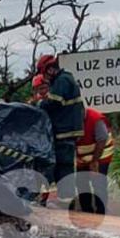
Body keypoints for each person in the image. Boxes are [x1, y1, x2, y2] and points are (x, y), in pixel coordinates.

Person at [36, 54, 85, 206]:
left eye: (44, 74)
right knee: (61, 167)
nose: (44, 78)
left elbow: (53, 102)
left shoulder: (62, 80)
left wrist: (38, 105)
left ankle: (67, 202)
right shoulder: (64, 79)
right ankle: (65, 200)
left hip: (65, 131)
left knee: (64, 167)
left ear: (50, 70)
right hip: (66, 130)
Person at [76, 106, 115, 214]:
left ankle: (101, 212)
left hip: (101, 153)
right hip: (82, 155)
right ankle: (87, 212)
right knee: (81, 182)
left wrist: (94, 161)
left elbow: (102, 139)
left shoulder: (95, 119)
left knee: (98, 182)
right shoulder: (68, 118)